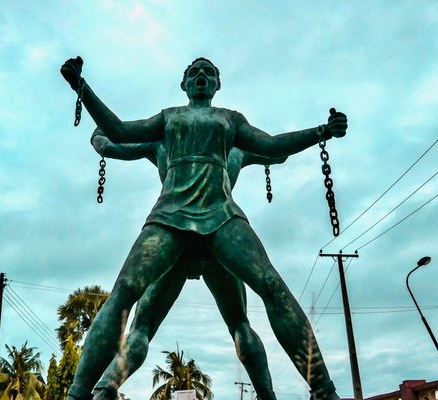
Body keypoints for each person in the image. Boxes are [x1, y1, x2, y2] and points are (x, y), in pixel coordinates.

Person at [60, 56, 348, 400]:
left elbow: (273, 148)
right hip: (170, 219)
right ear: (183, 83)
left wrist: (320, 132)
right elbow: (116, 134)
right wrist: (83, 89)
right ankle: (84, 392)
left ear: (217, 84)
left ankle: (320, 390)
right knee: (126, 294)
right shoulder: (168, 123)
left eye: (208, 72)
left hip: (221, 218)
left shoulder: (231, 124)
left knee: (268, 288)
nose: (201, 75)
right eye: (194, 72)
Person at [89, 128, 287, 400]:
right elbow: (278, 153)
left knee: (143, 327)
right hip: (216, 236)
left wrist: (99, 136)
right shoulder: (233, 149)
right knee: (239, 324)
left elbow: (110, 147)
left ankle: (105, 387)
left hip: (179, 236)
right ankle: (267, 395)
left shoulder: (166, 145)